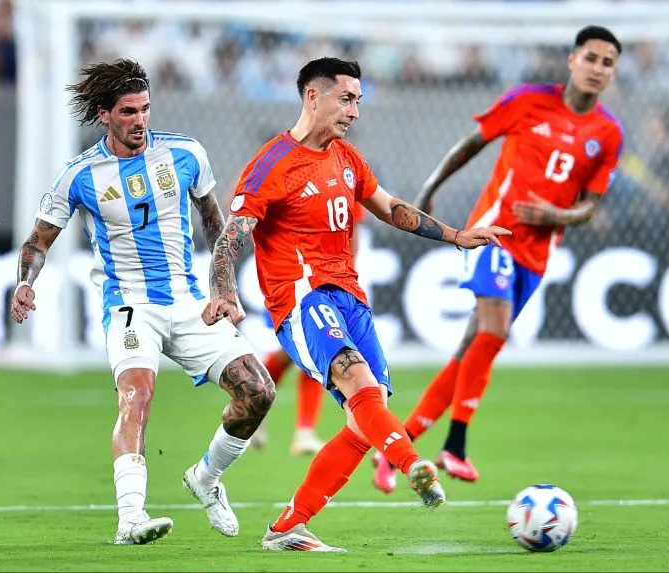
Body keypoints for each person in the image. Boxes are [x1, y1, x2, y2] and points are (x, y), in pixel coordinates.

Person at [204, 57, 509, 552]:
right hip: (301, 298)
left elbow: (391, 209)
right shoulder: (272, 163)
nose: (354, 112)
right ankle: (414, 466)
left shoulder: (347, 158)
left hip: (350, 298)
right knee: (358, 382)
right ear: (312, 97)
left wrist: (456, 235)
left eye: (358, 101)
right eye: (346, 99)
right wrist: (223, 291)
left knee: (366, 418)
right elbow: (231, 235)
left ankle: (287, 528)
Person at [9, 58, 275, 546]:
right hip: (129, 303)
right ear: (104, 113)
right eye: (128, 111)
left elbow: (217, 225)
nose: (140, 120)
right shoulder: (79, 175)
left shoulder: (186, 154)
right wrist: (26, 282)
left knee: (259, 392)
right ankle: (130, 519)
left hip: (188, 299)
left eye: (146, 109)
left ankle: (206, 478)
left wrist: (223, 289)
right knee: (137, 395)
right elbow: (37, 242)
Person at [372, 25, 626, 492]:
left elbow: (592, 205)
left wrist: (558, 214)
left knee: (471, 350)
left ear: (613, 72)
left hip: (537, 252)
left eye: (608, 63)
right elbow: (472, 144)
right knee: (494, 329)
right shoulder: (528, 100)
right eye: (591, 58)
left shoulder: (608, 134)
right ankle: (455, 446)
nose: (597, 68)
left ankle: (395, 449)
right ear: (572, 60)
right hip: (493, 233)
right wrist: (428, 191)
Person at [253, 204, 367, 456]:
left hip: (329, 279)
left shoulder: (345, 171)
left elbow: (351, 229)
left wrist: (348, 275)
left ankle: (304, 431)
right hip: (291, 278)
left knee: (323, 349)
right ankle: (254, 404)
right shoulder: (277, 171)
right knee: (289, 352)